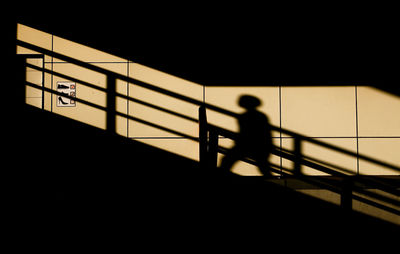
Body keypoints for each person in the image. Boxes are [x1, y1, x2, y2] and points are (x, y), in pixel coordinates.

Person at [220, 95, 273, 177]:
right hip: (257, 146)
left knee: (227, 160)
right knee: (264, 167)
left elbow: (245, 132)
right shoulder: (260, 116)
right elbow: (267, 132)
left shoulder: (244, 116)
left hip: (249, 145)